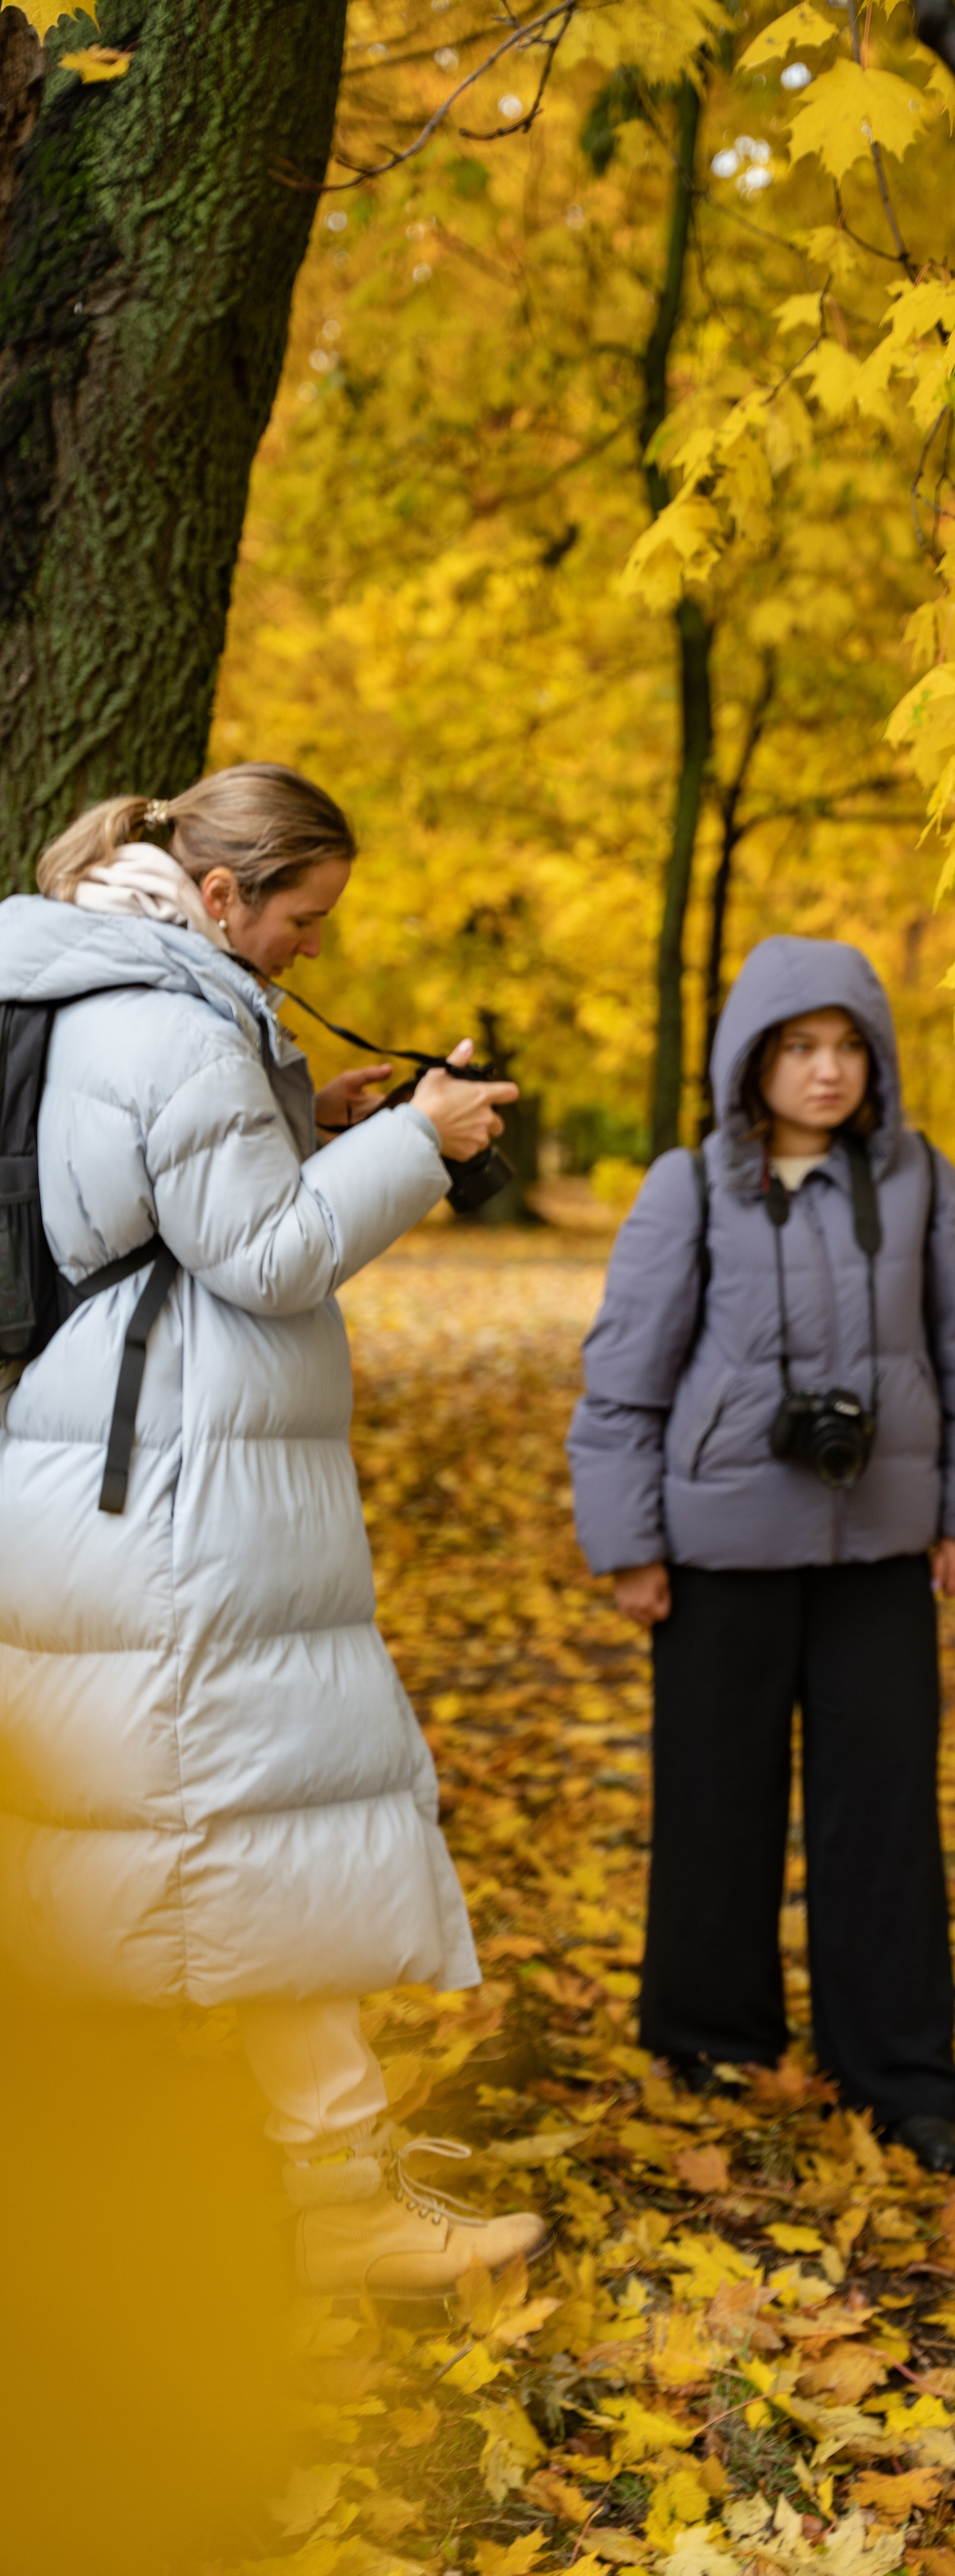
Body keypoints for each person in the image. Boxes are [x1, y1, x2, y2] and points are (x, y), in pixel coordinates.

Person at [0, 765, 548, 2298]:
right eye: (303, 916)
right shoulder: (174, 1017)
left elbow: (164, 1197)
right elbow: (263, 1254)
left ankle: (145, 2198)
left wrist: (316, 1117)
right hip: (174, 1482)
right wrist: (421, 1142)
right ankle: (327, 2205)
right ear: (225, 894)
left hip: (125, 1462)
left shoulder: (112, 987)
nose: (315, 945)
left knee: (163, 1840)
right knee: (244, 1829)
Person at [569, 935, 955, 2171]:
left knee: (884, 1818)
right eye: (800, 1049)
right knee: (716, 1805)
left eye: (847, 1049)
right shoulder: (686, 1188)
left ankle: (900, 2074)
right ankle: (709, 2044)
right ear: (751, 1062)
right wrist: (628, 1543)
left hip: (881, 1550)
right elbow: (624, 1379)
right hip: (718, 1552)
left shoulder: (922, 1180)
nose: (827, 1074)